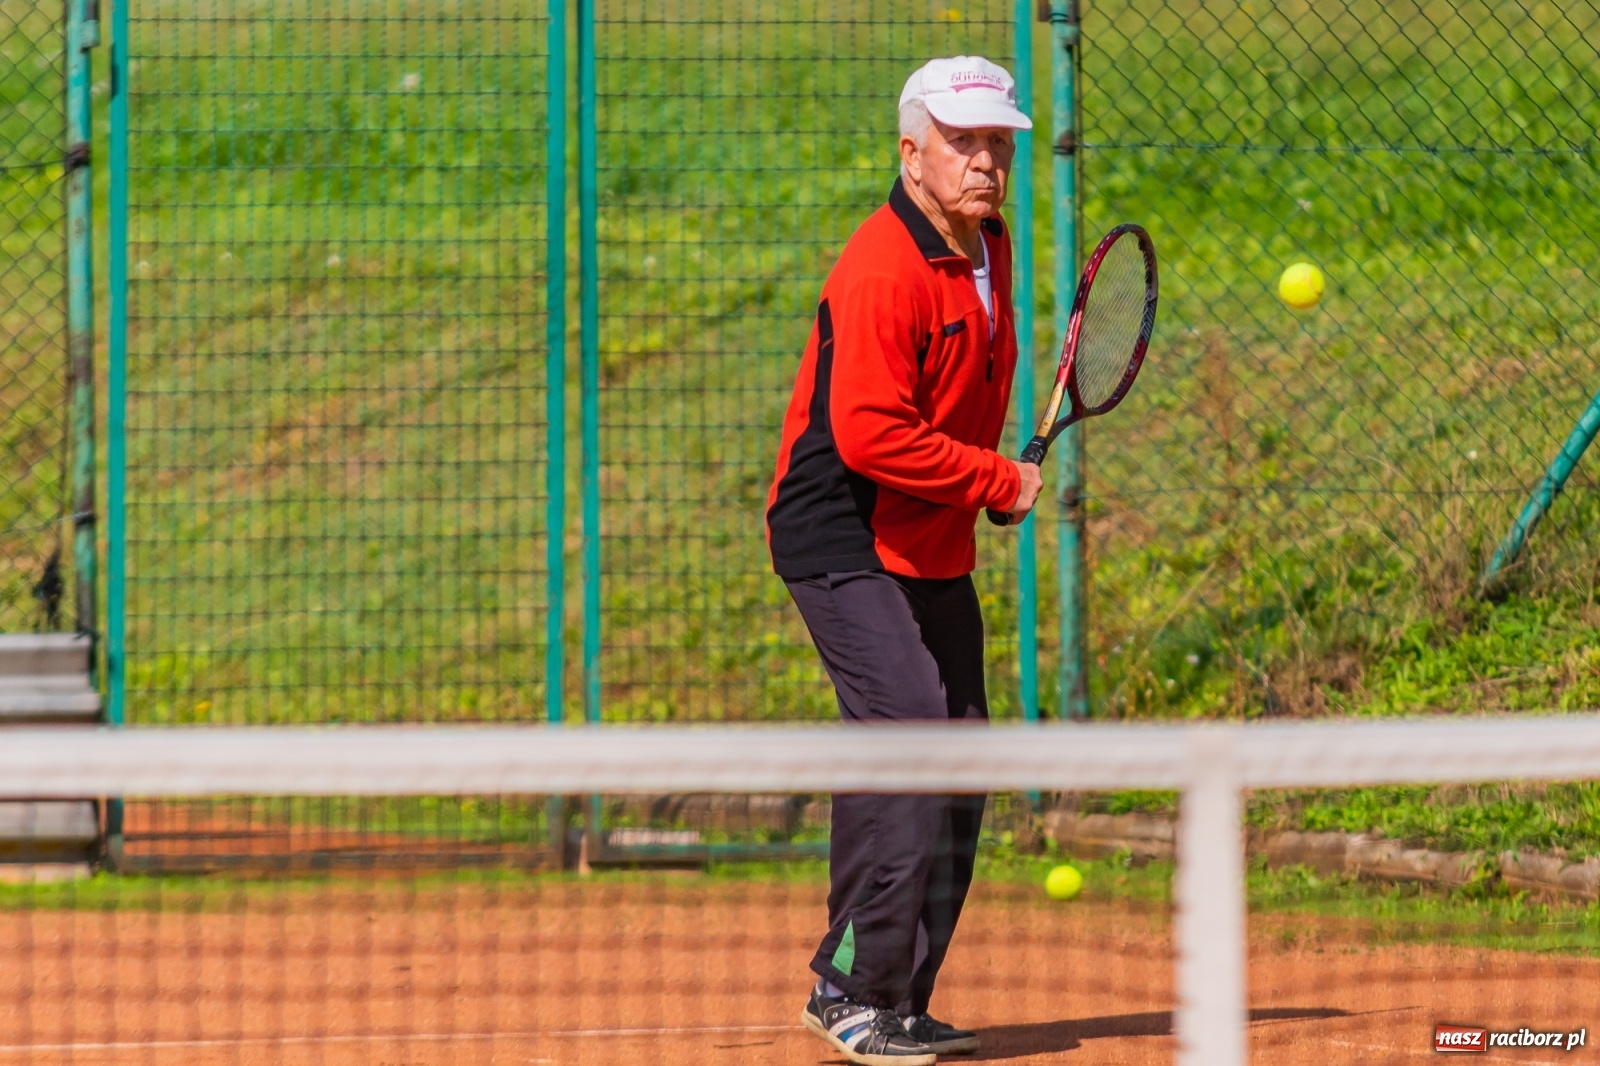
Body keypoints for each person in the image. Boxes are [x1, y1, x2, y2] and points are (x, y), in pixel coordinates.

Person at [765, 55, 1042, 1066]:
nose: (983, 161)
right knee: (914, 733)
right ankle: (849, 986)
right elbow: (872, 434)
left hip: (924, 531)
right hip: (838, 525)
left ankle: (897, 996)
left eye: (996, 143)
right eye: (962, 142)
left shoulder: (989, 249)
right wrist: (993, 480)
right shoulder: (880, 265)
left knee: (959, 749)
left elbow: (962, 389)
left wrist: (983, 486)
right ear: (910, 152)